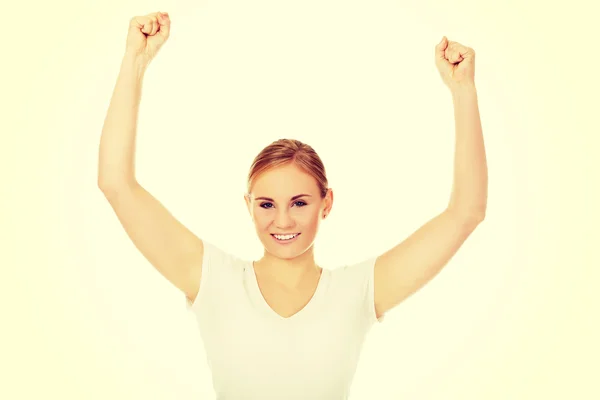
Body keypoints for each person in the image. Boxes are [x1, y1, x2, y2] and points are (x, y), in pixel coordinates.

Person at [98, 11, 488, 400]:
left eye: (299, 202)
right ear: (248, 205)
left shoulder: (360, 290)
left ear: (326, 202)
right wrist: (135, 61)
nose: (282, 220)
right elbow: (116, 184)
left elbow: (465, 213)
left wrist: (463, 90)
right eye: (266, 204)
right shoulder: (213, 280)